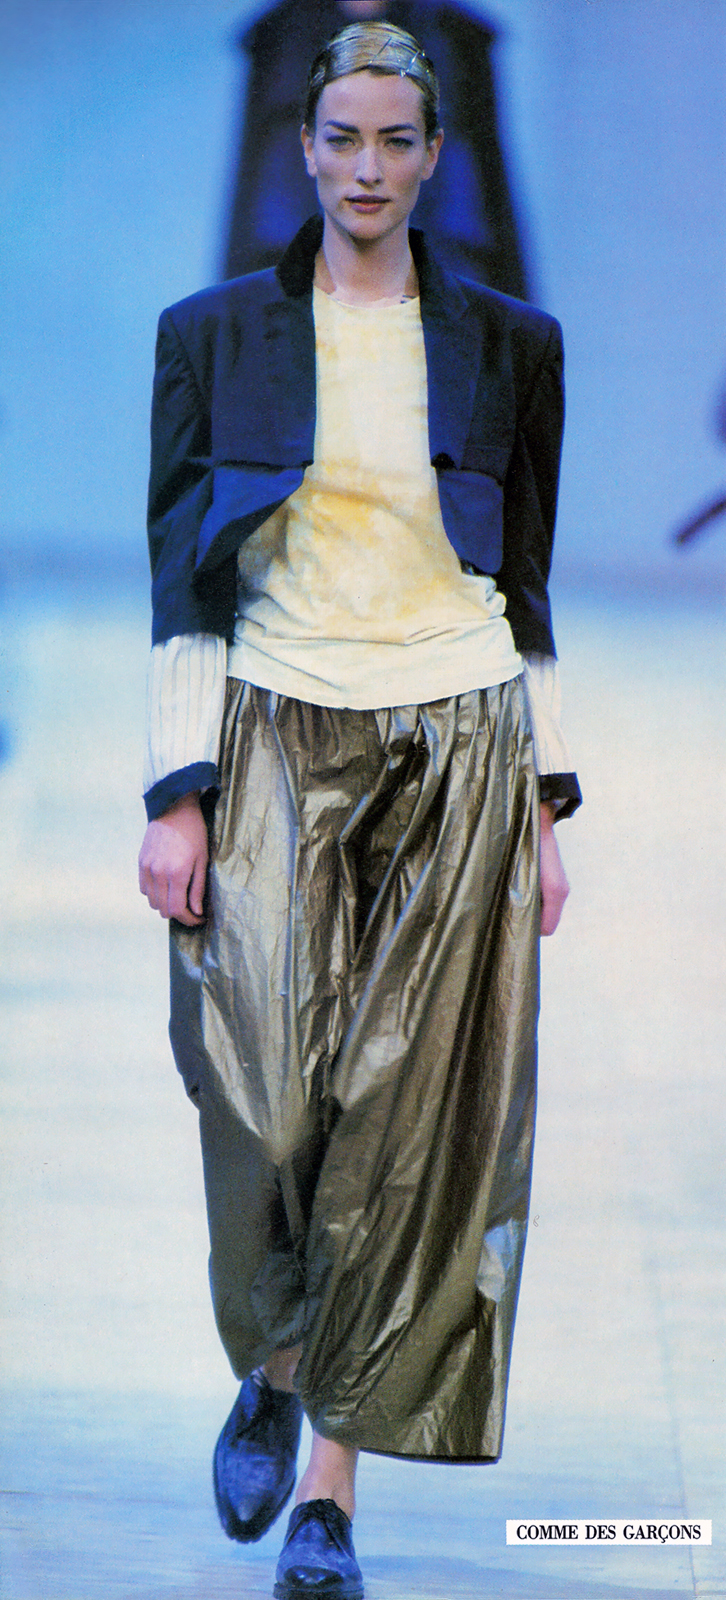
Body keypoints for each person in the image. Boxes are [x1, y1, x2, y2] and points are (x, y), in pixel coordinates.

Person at [138, 22, 581, 1600]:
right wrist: (178, 792)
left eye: (398, 140)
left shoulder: (510, 346)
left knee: (401, 1127)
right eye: (344, 138)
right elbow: (182, 579)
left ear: (434, 157)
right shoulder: (212, 337)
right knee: (259, 1095)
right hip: (273, 723)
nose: (370, 167)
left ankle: (325, 1494)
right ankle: (274, 1358)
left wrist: (543, 803)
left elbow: (523, 584)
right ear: (305, 147)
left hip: (456, 737)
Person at [222, 0, 531, 297]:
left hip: (439, 287)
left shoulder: (455, 35)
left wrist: (515, 322)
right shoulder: (280, 37)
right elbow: (249, 194)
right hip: (300, 291)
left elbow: (494, 190)